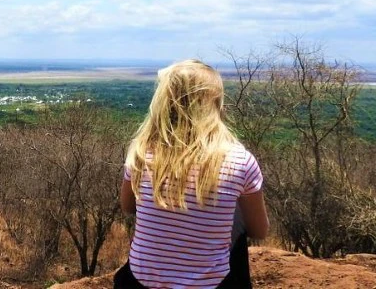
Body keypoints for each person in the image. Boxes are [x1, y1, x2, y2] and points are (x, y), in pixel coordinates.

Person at [115, 59, 269, 289]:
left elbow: (128, 207)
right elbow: (259, 230)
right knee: (235, 215)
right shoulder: (240, 161)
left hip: (139, 284)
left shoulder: (142, 153)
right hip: (212, 285)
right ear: (215, 104)